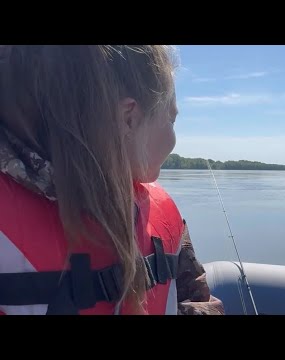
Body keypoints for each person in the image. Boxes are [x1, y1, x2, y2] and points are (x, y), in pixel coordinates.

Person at [0, 45, 225, 315]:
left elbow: (194, 300)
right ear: (129, 118)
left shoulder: (163, 214)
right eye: (171, 120)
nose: (174, 141)